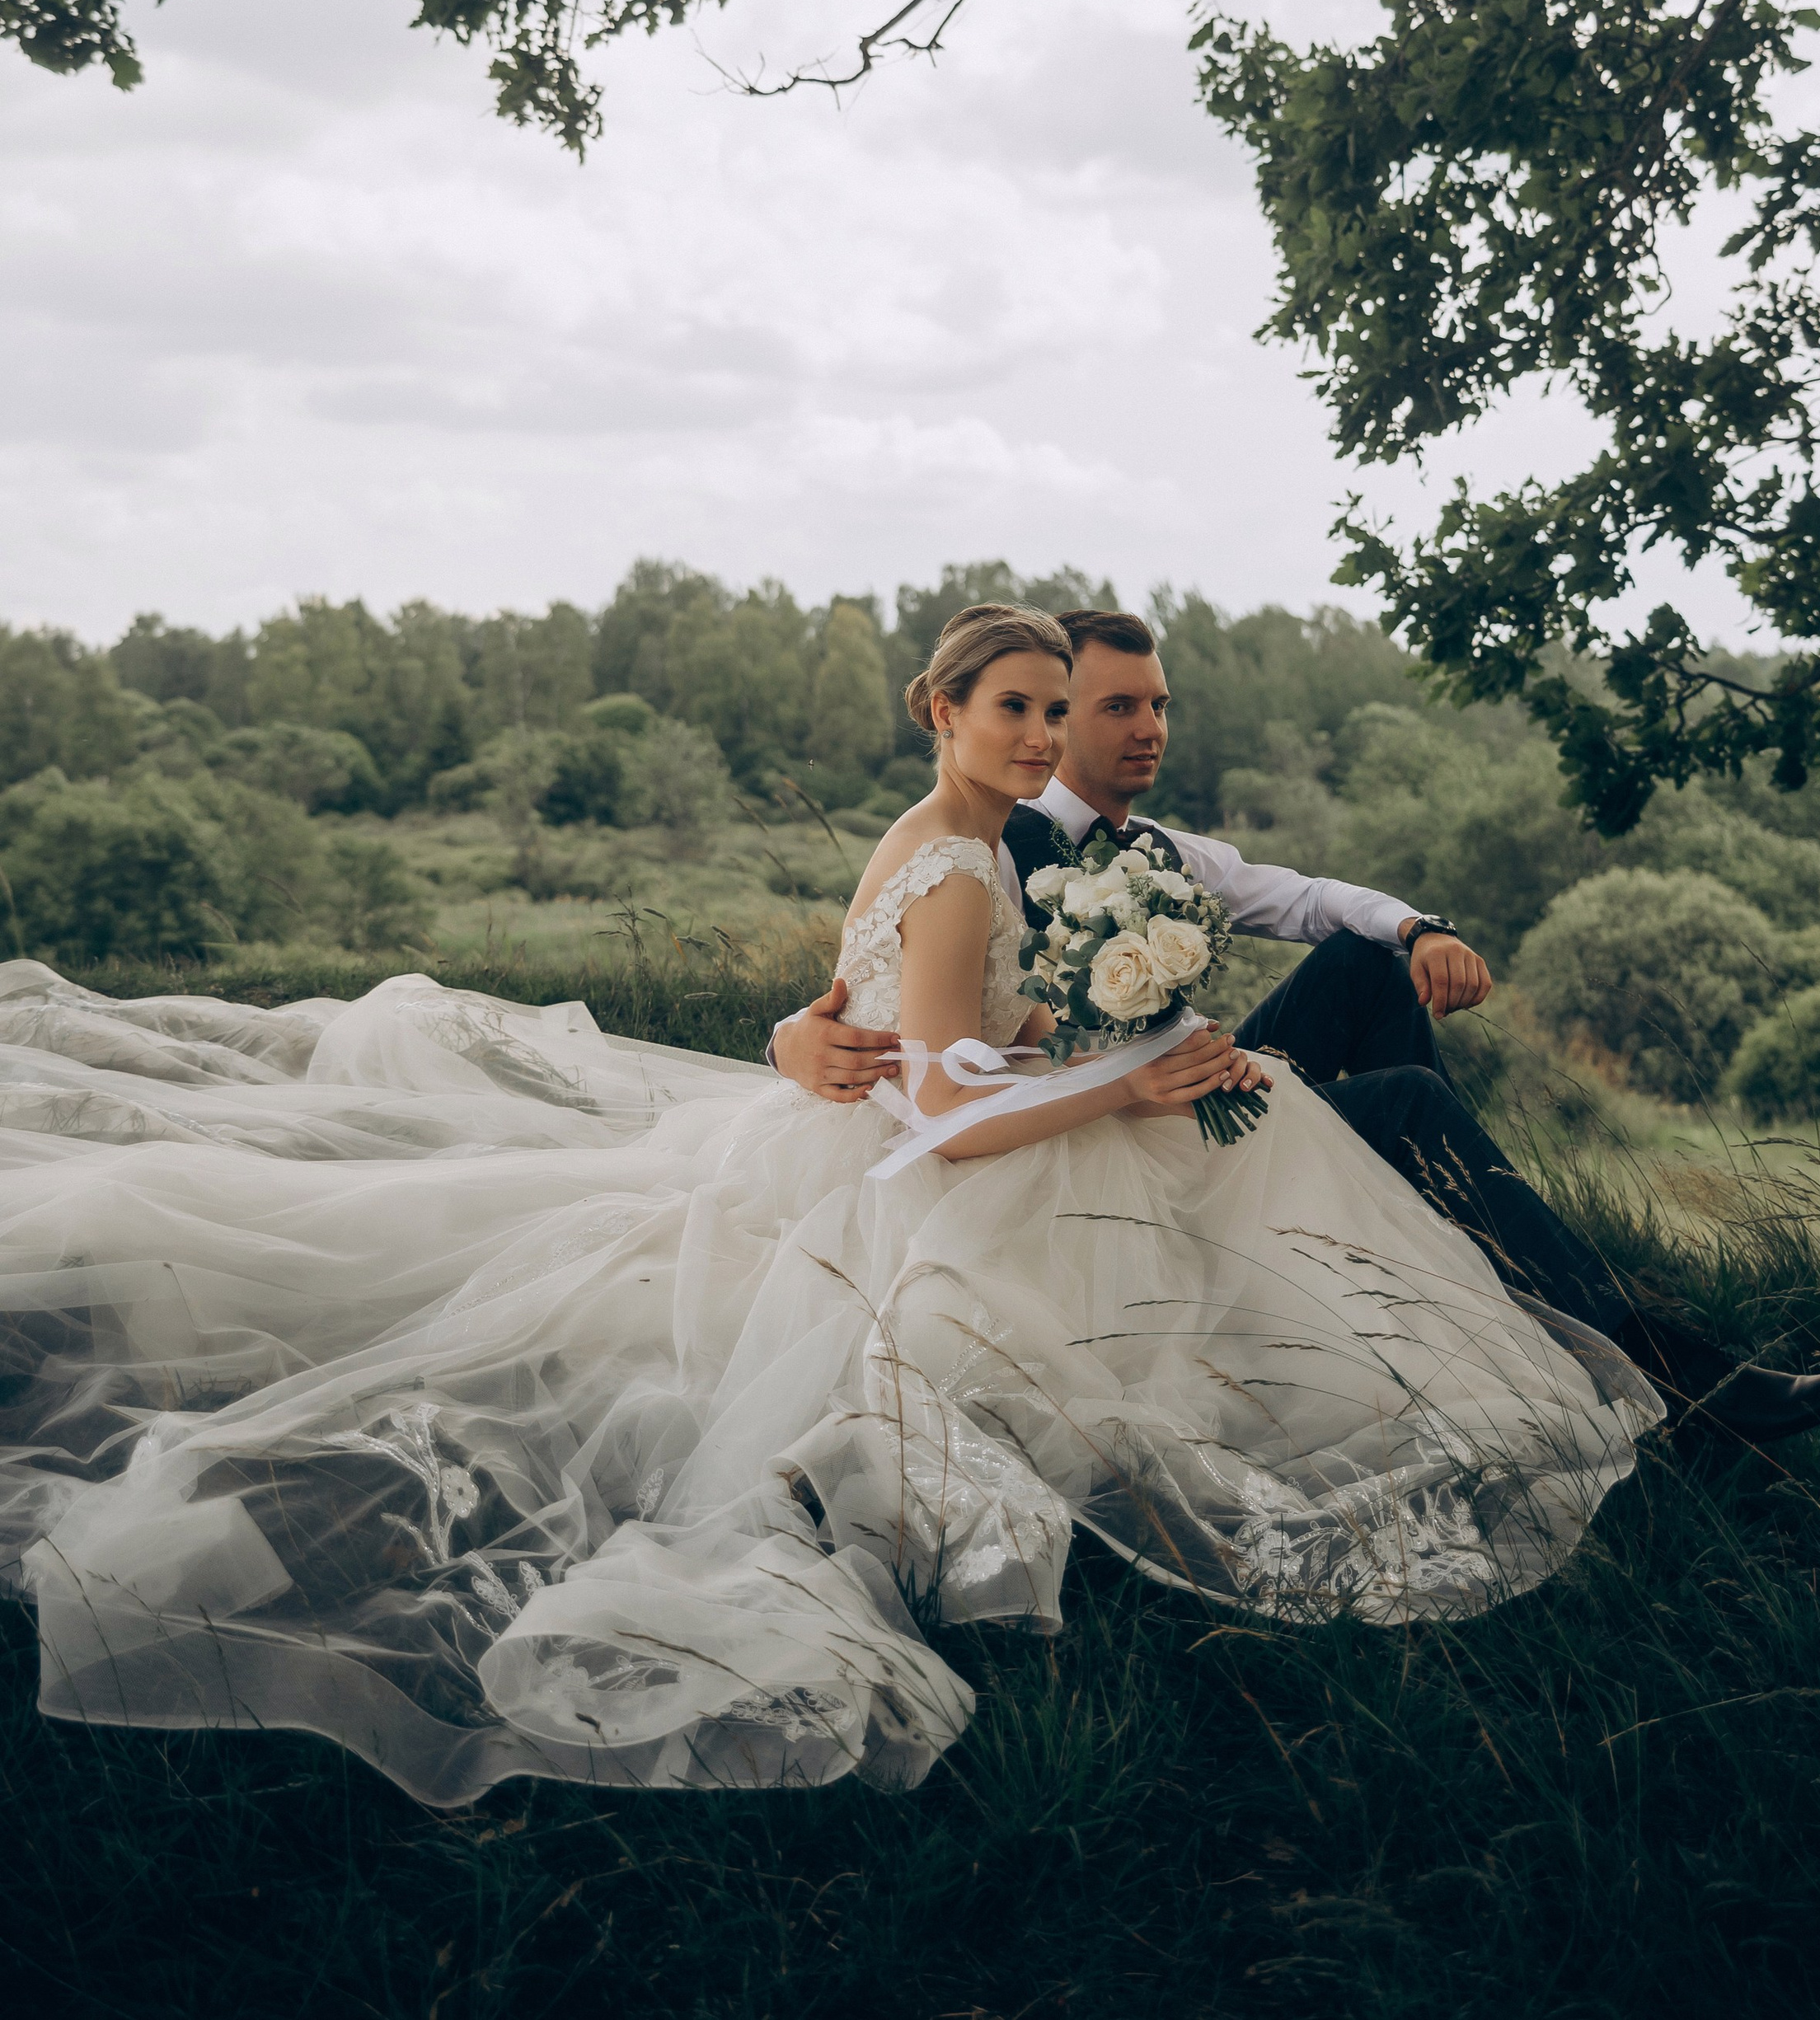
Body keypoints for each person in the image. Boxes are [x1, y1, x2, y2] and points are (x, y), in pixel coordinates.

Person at [0, 605, 1665, 1808]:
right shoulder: (970, 857)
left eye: (1056, 710)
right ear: (949, 714)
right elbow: (936, 1095)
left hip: (950, 1122)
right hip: (957, 1158)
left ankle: (1544, 1314)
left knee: (1312, 1095)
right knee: (1258, 1158)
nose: (1045, 732)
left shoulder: (1011, 841)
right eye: (1018, 708)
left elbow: (951, 1020)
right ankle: (1562, 1341)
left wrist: (1020, 1039)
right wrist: (1116, 1080)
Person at [772, 607, 1820, 1451]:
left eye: (1144, 705)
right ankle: (1657, 1367)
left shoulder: (1132, 840)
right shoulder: (994, 847)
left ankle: (1473, 1276)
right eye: (1102, 708)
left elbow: (1294, 899)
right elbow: (901, 993)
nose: (1136, 728)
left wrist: (1420, 928)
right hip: (1092, 1132)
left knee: (1362, 961)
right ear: (950, 711)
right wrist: (794, 1038)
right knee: (1409, 1106)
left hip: (1140, 1082)